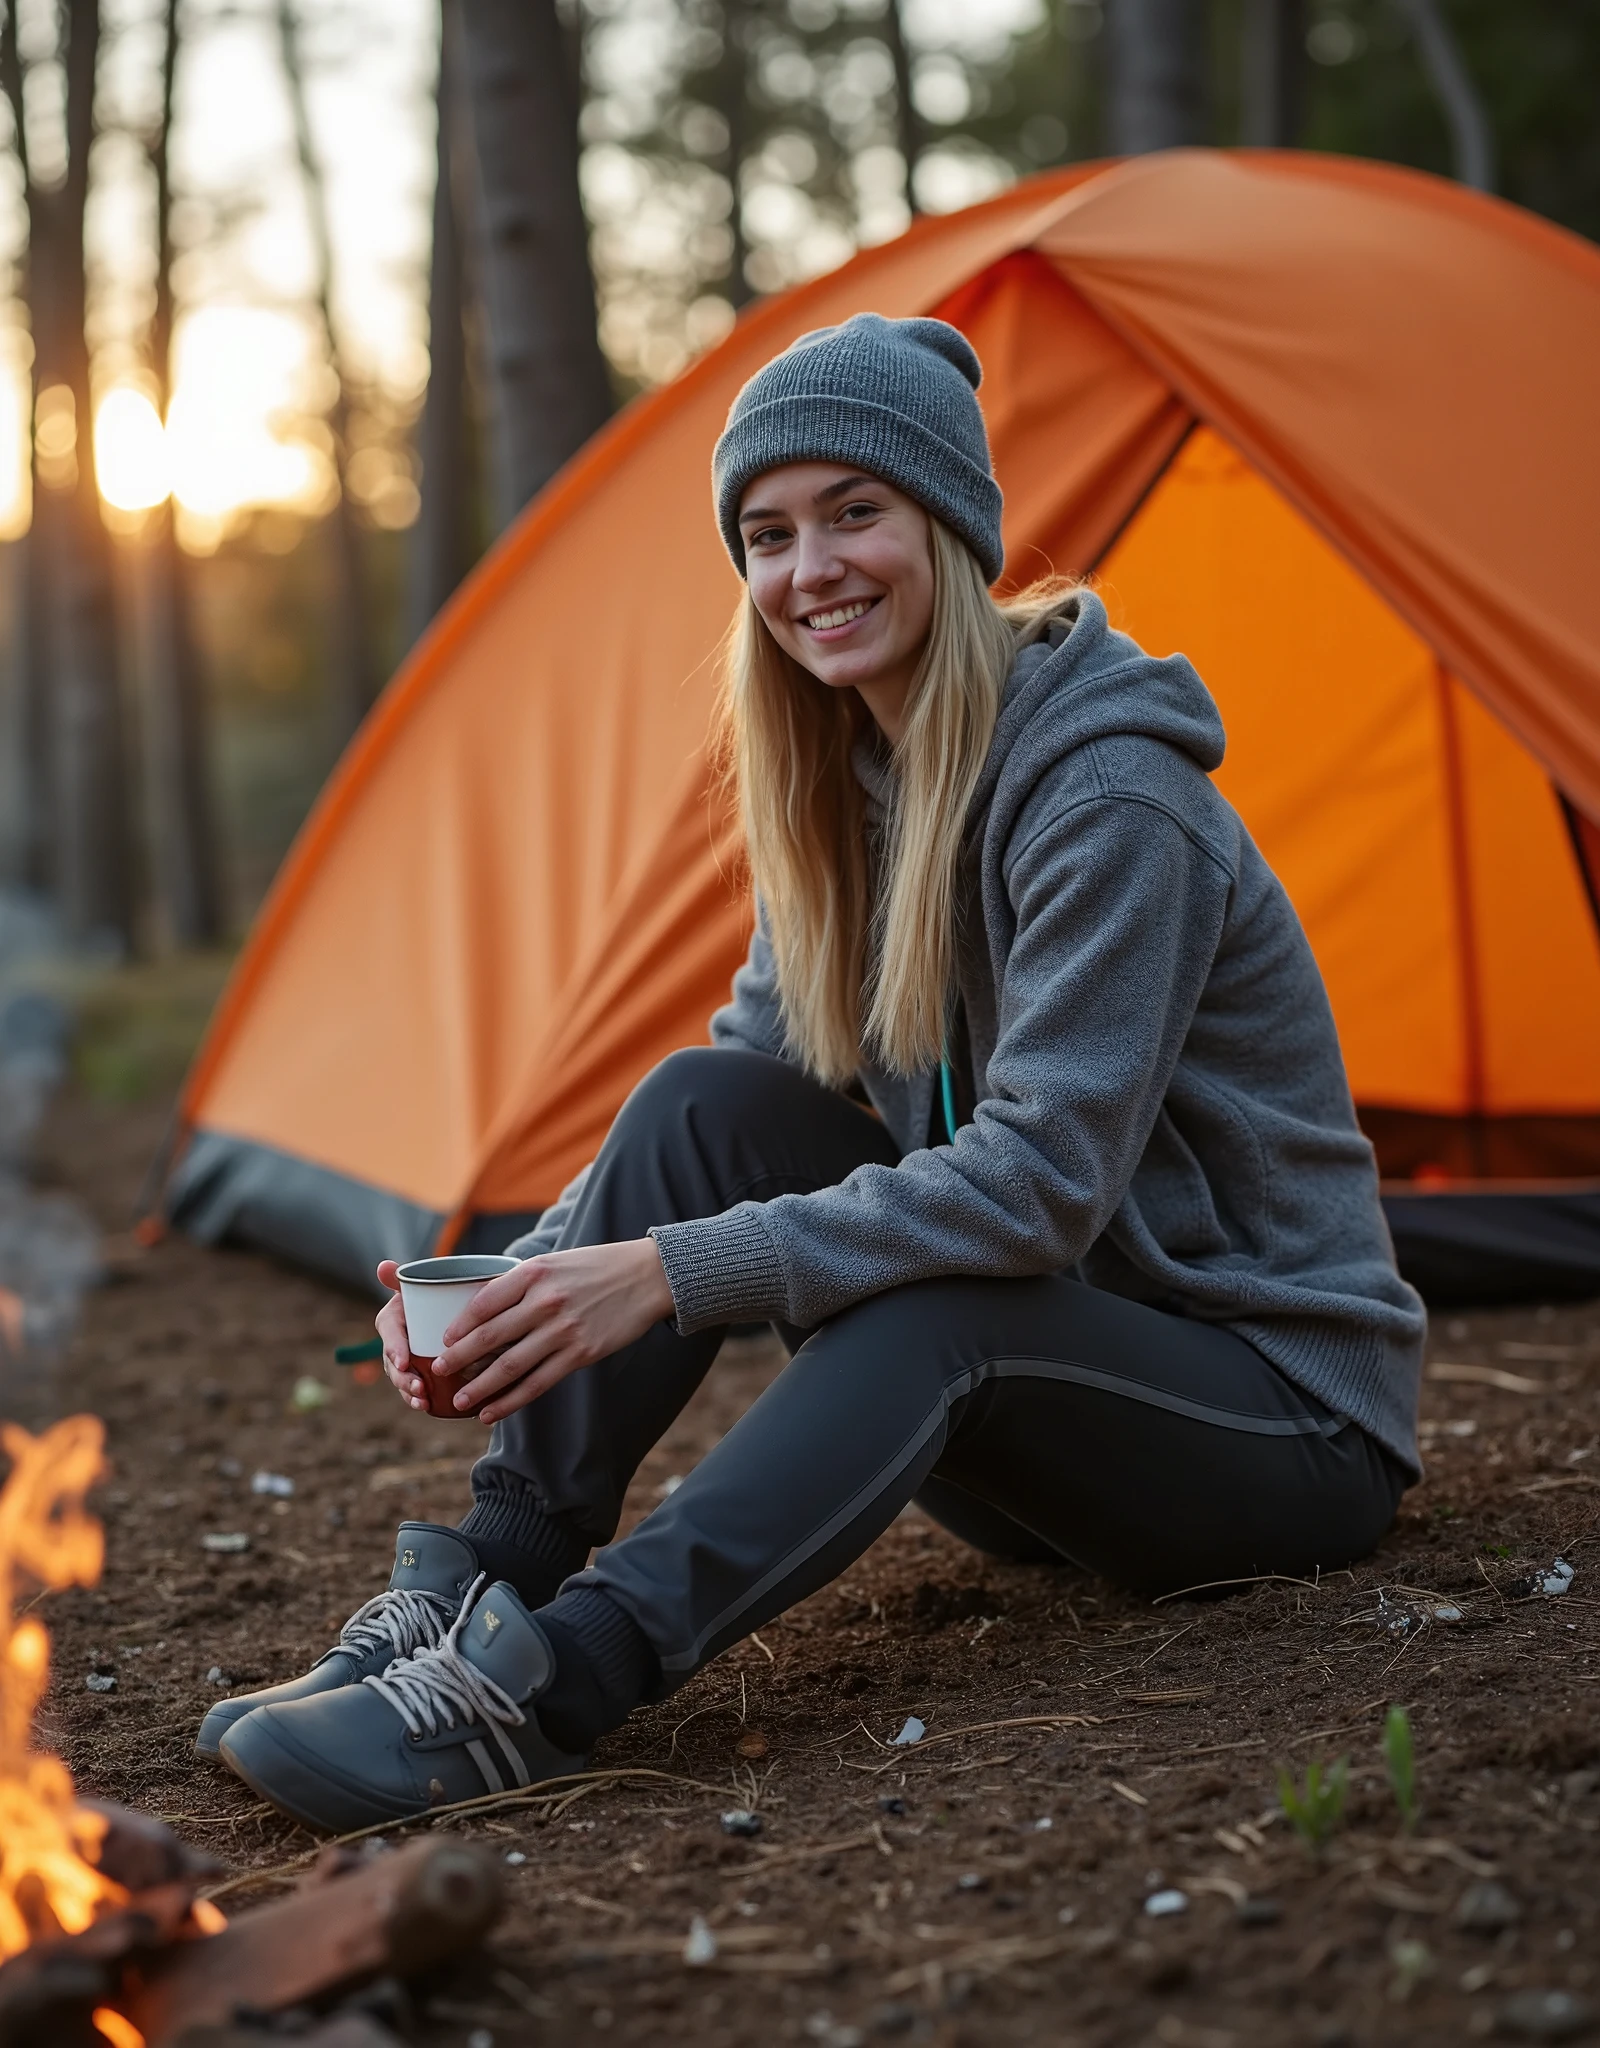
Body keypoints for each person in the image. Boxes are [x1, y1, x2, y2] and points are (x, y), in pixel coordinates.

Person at [199, 314, 1424, 1833]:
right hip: (1053, 1428)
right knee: (699, 1108)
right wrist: (522, 1285)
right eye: (769, 535)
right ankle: (479, 1585)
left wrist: (670, 1275)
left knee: (944, 1308)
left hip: (1275, 1431)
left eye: (857, 513)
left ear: (950, 527)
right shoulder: (847, 781)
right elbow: (741, 1081)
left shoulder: (1111, 791)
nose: (810, 569)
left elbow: (1040, 1191)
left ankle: (551, 1687)